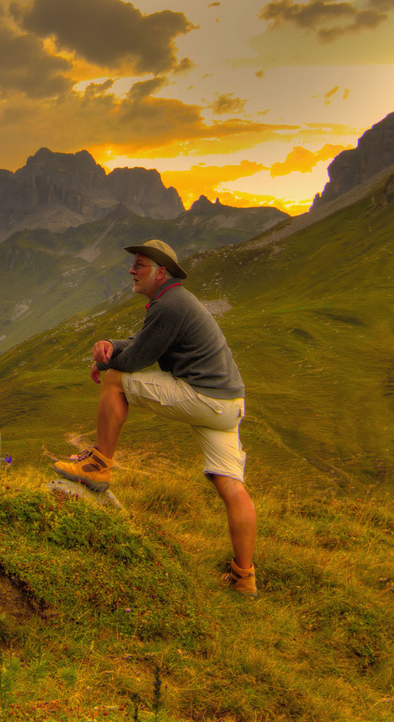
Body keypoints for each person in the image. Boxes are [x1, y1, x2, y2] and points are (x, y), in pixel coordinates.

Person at [53, 239, 258, 596]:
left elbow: (133, 362)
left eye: (140, 265)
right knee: (231, 486)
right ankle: (244, 578)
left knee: (116, 379)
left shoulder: (170, 305)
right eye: (133, 264)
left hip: (203, 396)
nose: (131, 270)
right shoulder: (173, 302)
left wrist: (105, 363)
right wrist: (111, 345)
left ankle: (98, 465)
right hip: (229, 403)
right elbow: (141, 341)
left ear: (160, 273)